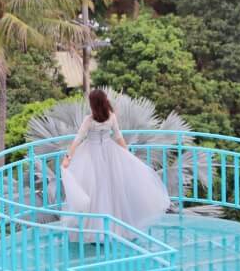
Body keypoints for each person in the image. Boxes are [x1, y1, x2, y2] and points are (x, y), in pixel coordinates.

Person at [60, 90, 170, 240]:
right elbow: (118, 137)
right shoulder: (111, 117)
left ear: (93, 104)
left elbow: (78, 139)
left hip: (92, 155)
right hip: (109, 153)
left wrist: (68, 157)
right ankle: (114, 229)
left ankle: (96, 231)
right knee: (111, 190)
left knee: (95, 191)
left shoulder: (89, 120)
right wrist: (126, 155)